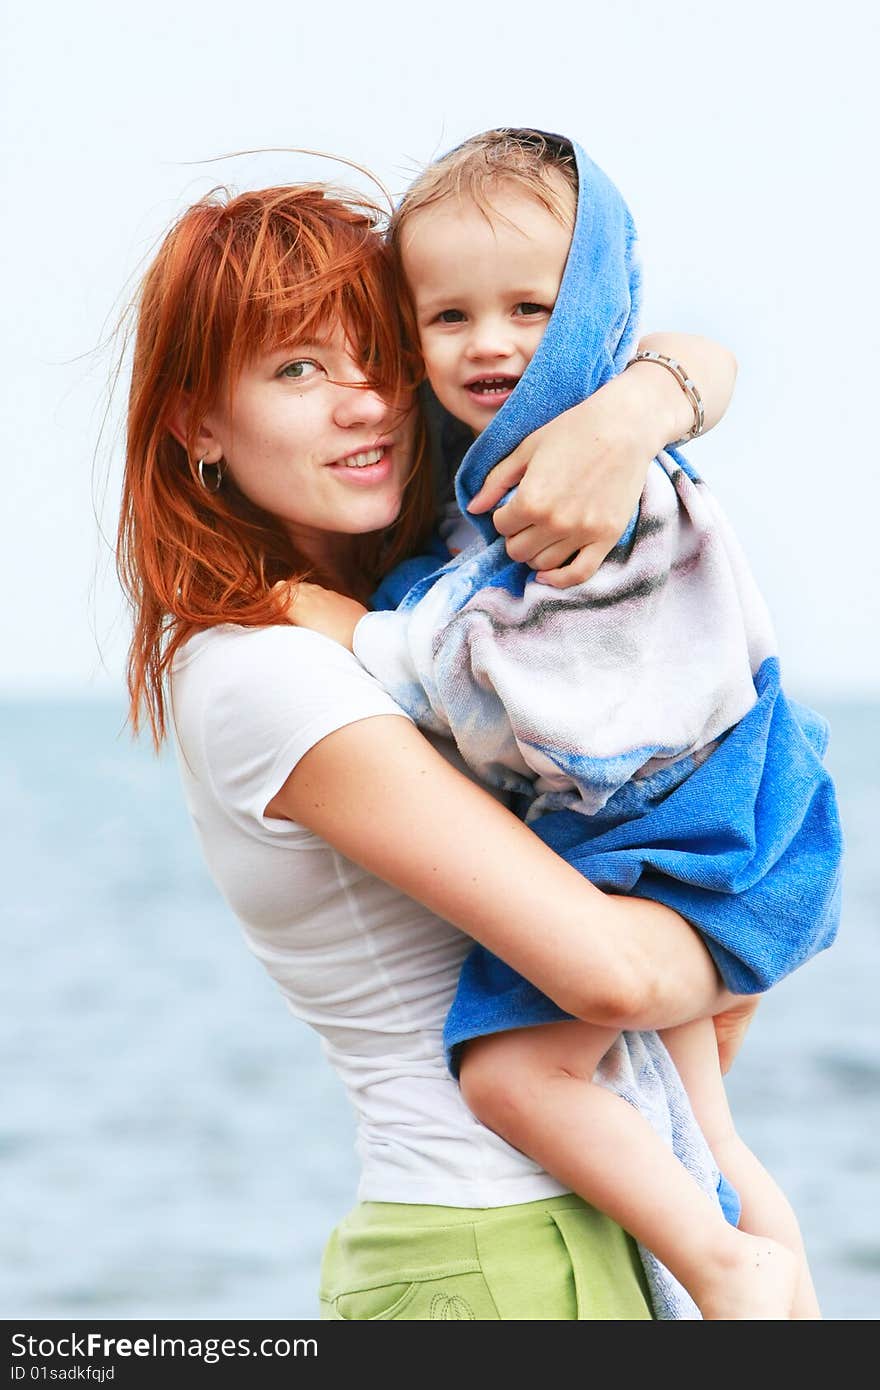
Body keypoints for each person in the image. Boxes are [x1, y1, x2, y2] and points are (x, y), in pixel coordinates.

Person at [118, 177, 761, 1322]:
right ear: (196, 423)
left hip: (583, 1226)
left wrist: (626, 417)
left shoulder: (440, 601)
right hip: (483, 1249)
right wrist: (762, 919)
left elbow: (681, 353)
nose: (361, 404)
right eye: (296, 371)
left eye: (374, 356)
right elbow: (610, 976)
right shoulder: (266, 666)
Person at [278, 131, 842, 1318]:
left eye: (531, 306)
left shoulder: (582, 482)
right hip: (690, 817)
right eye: (448, 317)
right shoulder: (525, 462)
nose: (491, 344)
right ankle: (783, 1296)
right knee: (705, 1126)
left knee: (511, 1074)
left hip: (669, 831)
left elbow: (517, 687)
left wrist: (354, 633)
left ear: (586, 307)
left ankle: (725, 1264)